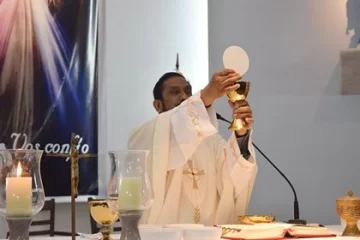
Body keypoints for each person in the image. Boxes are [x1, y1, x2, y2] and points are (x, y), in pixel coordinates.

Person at [128, 69, 258, 225]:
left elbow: (232, 180)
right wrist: (207, 95)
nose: (183, 96)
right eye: (174, 92)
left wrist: (241, 132)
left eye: (188, 91)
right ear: (158, 105)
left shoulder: (210, 141)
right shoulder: (145, 135)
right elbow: (175, 124)